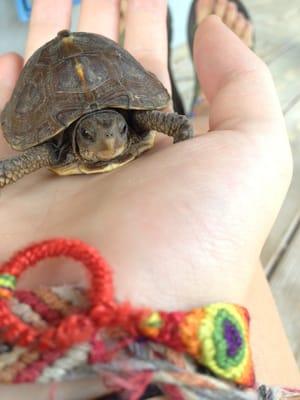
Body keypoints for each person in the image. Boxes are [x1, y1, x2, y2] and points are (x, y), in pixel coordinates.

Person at [0, 0, 299, 398]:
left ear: (127, 127)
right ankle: (200, 110)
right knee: (184, 121)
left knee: (176, 121)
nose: (107, 142)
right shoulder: (53, 149)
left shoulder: (136, 123)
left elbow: (164, 126)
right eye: (92, 137)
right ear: (75, 140)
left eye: (114, 133)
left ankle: (195, 111)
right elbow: (22, 160)